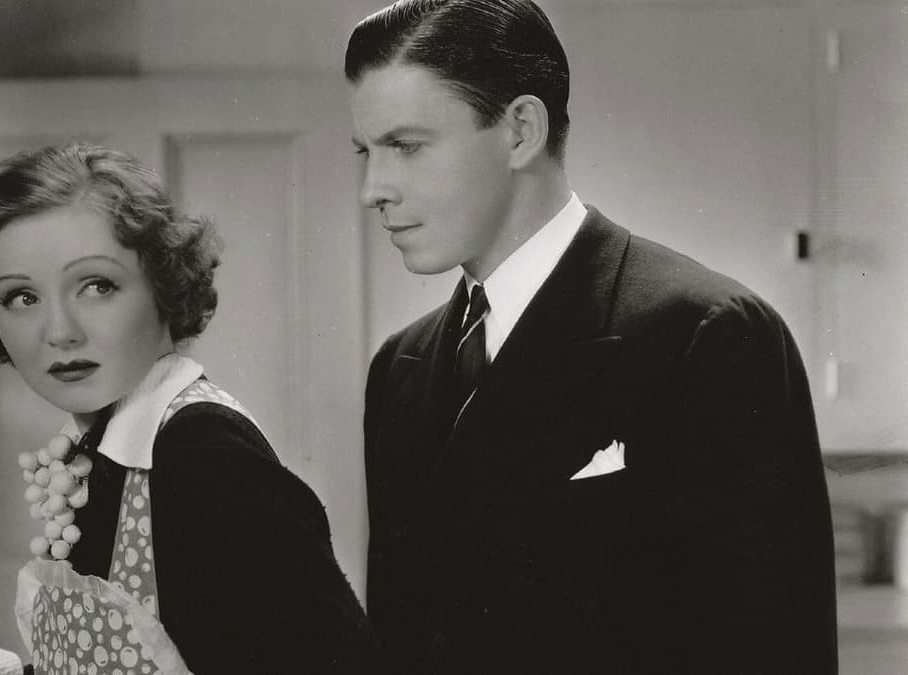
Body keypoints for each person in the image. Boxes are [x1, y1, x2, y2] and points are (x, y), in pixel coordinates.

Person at [348, 1, 837, 672]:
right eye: (366, 151)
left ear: (521, 130)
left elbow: (772, 650)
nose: (372, 189)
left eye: (406, 146)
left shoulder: (707, 335)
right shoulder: (400, 366)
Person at [0, 143, 381, 674]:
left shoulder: (200, 450)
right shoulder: (104, 448)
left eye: (96, 286)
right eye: (22, 297)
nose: (58, 331)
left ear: (165, 287)